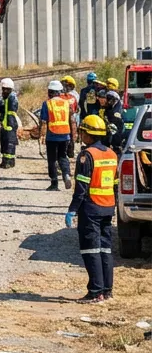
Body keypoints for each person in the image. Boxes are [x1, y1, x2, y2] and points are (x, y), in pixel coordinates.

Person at [65, 114, 117, 302]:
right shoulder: (111, 154)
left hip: (91, 207)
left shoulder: (87, 156)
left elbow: (81, 187)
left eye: (82, 132)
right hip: (108, 207)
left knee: (91, 250)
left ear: (87, 134)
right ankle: (107, 290)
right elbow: (116, 183)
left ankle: (95, 292)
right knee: (106, 249)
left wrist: (72, 209)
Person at [40, 80, 74, 190]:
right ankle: (66, 174)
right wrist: (73, 136)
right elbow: (72, 120)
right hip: (65, 134)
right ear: (60, 92)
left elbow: (44, 122)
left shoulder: (47, 104)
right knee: (63, 156)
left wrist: (42, 135)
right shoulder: (66, 103)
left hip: (52, 135)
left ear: (50, 92)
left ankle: (54, 183)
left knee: (52, 159)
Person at [0, 77, 20, 170]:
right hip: (7, 123)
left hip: (10, 124)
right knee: (5, 142)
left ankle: (8, 162)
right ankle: (6, 161)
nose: (3, 91)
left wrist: (8, 124)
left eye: (4, 89)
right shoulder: (9, 97)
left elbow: (9, 112)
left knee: (9, 143)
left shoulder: (11, 97)